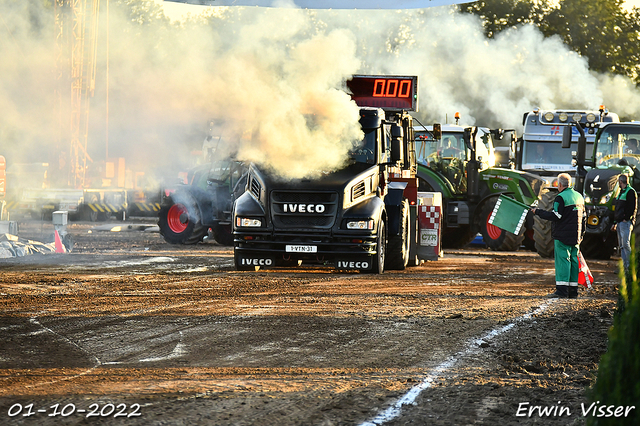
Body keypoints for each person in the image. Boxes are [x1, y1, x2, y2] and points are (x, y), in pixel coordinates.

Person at [531, 173, 586, 298]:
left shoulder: (560, 198)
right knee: (573, 261)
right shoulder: (579, 197)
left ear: (560, 185)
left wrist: (538, 211)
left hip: (562, 236)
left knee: (563, 262)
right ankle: (573, 291)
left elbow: (556, 216)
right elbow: (584, 218)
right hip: (576, 235)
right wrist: (581, 234)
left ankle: (561, 291)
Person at [611, 174, 637, 272]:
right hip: (620, 222)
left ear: (620, 182)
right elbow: (618, 208)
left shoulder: (630, 192)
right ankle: (625, 266)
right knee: (622, 245)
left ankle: (629, 266)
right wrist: (615, 222)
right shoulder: (622, 192)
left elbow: (632, 207)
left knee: (625, 244)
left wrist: (627, 218)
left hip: (625, 223)